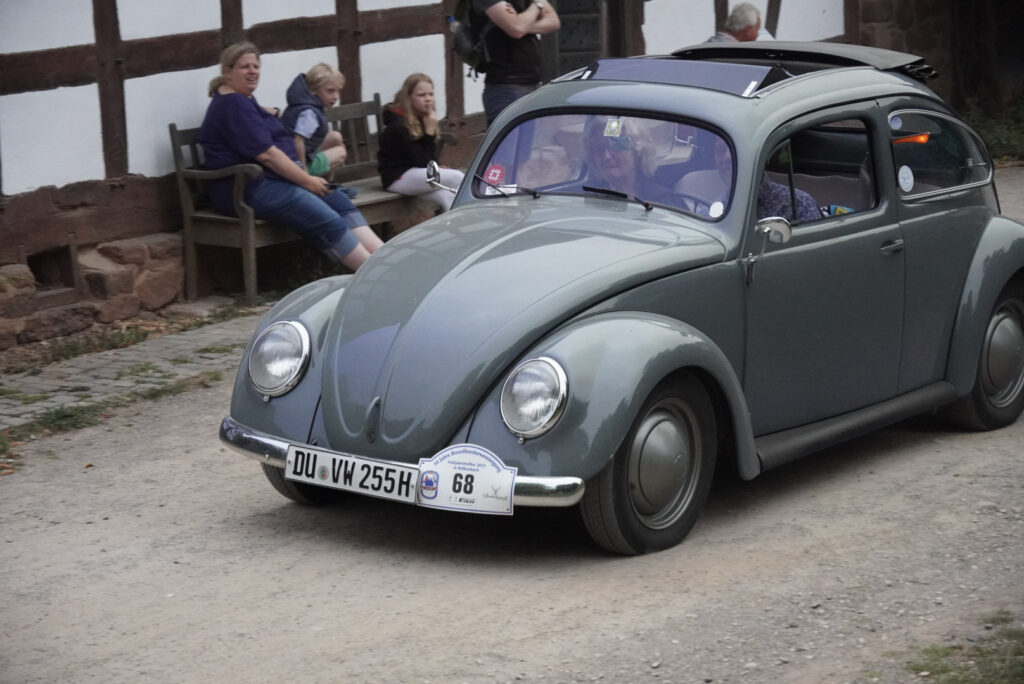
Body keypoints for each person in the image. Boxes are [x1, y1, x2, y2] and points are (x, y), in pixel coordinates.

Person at [197, 42, 381, 271]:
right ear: (227, 71)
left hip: (270, 181)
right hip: (245, 188)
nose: (253, 71)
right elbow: (267, 155)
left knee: (337, 200)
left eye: (256, 66)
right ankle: (371, 273)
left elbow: (258, 122)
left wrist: (272, 112)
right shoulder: (232, 105)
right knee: (325, 216)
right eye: (245, 66)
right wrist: (307, 180)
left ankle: (383, 258)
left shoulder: (242, 98)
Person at [378, 74, 465, 212]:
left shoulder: (422, 119)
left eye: (431, 94)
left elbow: (426, 160)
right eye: (421, 95)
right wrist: (429, 133)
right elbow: (422, 162)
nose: (428, 99)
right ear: (408, 98)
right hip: (397, 178)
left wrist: (437, 166)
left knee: (448, 195)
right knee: (458, 178)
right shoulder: (398, 126)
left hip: (416, 175)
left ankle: (460, 227)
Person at [474, 0, 561, 124]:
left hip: (532, 85)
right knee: (510, 142)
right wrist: (537, 5)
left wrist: (522, 23)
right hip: (506, 88)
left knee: (527, 141)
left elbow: (553, 22)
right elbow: (516, 29)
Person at [280, 63, 357, 198]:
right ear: (314, 90)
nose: (335, 96)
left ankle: (330, 182)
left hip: (295, 153)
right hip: (293, 163)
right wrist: (302, 174)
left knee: (335, 137)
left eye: (338, 91)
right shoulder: (309, 112)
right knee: (341, 152)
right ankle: (326, 186)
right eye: (330, 91)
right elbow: (298, 142)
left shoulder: (305, 103)